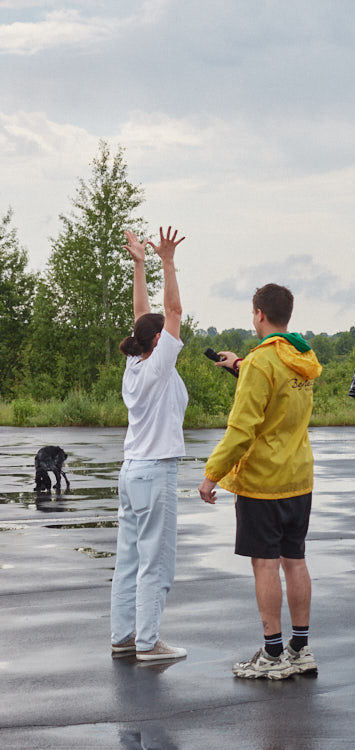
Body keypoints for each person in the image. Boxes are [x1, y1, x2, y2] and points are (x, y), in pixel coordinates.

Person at [199, 284, 323, 680]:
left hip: (263, 481)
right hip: (298, 476)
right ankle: (300, 649)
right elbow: (279, 391)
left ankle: (272, 654)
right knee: (295, 559)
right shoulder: (301, 355)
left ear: (258, 315)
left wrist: (211, 475)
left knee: (265, 564)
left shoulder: (261, 361)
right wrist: (240, 365)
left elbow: (242, 429)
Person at [110, 227, 189, 663]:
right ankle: (148, 643)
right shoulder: (158, 363)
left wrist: (139, 263)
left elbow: (146, 316)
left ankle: (124, 637)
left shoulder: (136, 361)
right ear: (161, 342)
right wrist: (167, 261)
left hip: (131, 471)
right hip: (155, 471)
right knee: (154, 562)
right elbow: (171, 309)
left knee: (128, 560)